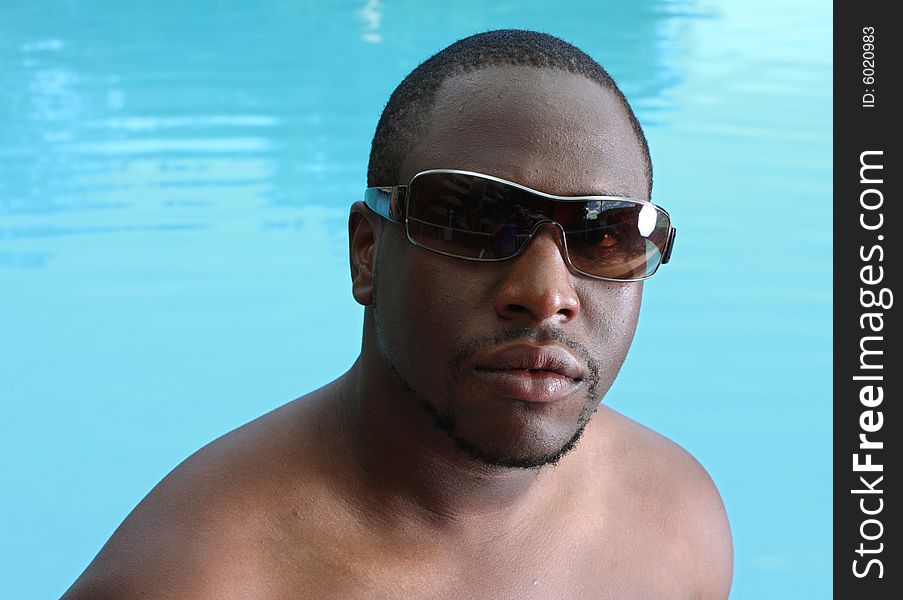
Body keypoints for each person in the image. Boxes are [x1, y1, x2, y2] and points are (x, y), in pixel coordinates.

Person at [63, 29, 732, 599]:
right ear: (366, 253)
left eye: (602, 234)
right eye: (474, 221)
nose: (545, 291)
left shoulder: (675, 528)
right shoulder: (195, 579)